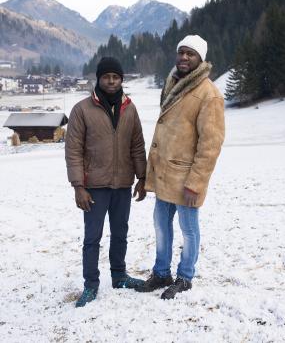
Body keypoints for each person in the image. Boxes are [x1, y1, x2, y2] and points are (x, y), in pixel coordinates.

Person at [135, 35, 225, 299]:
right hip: (165, 174)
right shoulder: (173, 83)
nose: (184, 57)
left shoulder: (209, 94)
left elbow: (211, 145)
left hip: (186, 178)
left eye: (191, 54)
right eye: (181, 52)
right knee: (161, 226)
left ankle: (185, 277)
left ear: (201, 59)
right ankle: (161, 273)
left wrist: (196, 183)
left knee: (189, 229)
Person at [65, 57, 147, 307]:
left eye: (116, 77)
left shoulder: (130, 108)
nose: (111, 81)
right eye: (106, 77)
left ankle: (119, 276)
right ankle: (91, 285)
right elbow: (73, 150)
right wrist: (78, 186)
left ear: (121, 79)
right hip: (94, 187)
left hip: (122, 184)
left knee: (120, 233)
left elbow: (137, 145)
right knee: (92, 238)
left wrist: (142, 177)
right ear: (98, 79)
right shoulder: (82, 109)